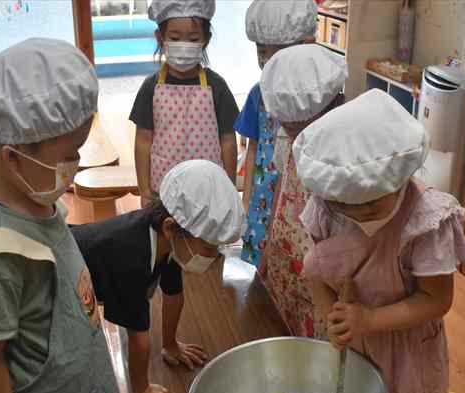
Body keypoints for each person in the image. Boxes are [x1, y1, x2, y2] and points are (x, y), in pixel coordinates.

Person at [0, 38, 136, 393]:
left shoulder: (35, 198)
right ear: (13, 156)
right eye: (69, 155)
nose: (75, 164)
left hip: (81, 391)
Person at [295, 89, 465, 393]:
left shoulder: (425, 221)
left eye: (372, 206)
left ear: (401, 180)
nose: (357, 215)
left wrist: (369, 320)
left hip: (407, 351)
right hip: (354, 343)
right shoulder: (327, 205)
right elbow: (316, 273)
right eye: (345, 207)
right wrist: (333, 319)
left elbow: (436, 300)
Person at [71, 160, 244, 393]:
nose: (213, 256)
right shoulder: (131, 256)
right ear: (170, 227)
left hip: (95, 262)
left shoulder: (170, 240)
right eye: (209, 248)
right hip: (66, 273)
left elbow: (174, 294)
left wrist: (171, 344)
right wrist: (141, 390)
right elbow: (138, 336)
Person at [258, 43, 347, 337]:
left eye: (305, 129)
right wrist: (268, 248)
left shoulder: (346, 155)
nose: (297, 138)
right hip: (283, 258)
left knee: (317, 349)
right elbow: (280, 189)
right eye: (291, 129)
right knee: (283, 337)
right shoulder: (286, 137)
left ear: (336, 105)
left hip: (325, 278)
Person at [235, 0, 318, 268]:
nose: (268, 60)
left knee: (296, 262)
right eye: (262, 50)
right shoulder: (257, 94)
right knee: (260, 263)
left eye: (279, 52)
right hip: (262, 198)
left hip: (303, 201)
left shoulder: (319, 95)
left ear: (306, 45)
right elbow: (252, 148)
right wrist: (246, 198)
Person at [130, 0, 239, 203]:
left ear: (206, 39)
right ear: (160, 38)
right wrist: (144, 190)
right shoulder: (150, 87)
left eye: (193, 38)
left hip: (209, 192)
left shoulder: (217, 86)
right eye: (174, 38)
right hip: (162, 191)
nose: (184, 45)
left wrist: (229, 188)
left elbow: (228, 140)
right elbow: (143, 140)